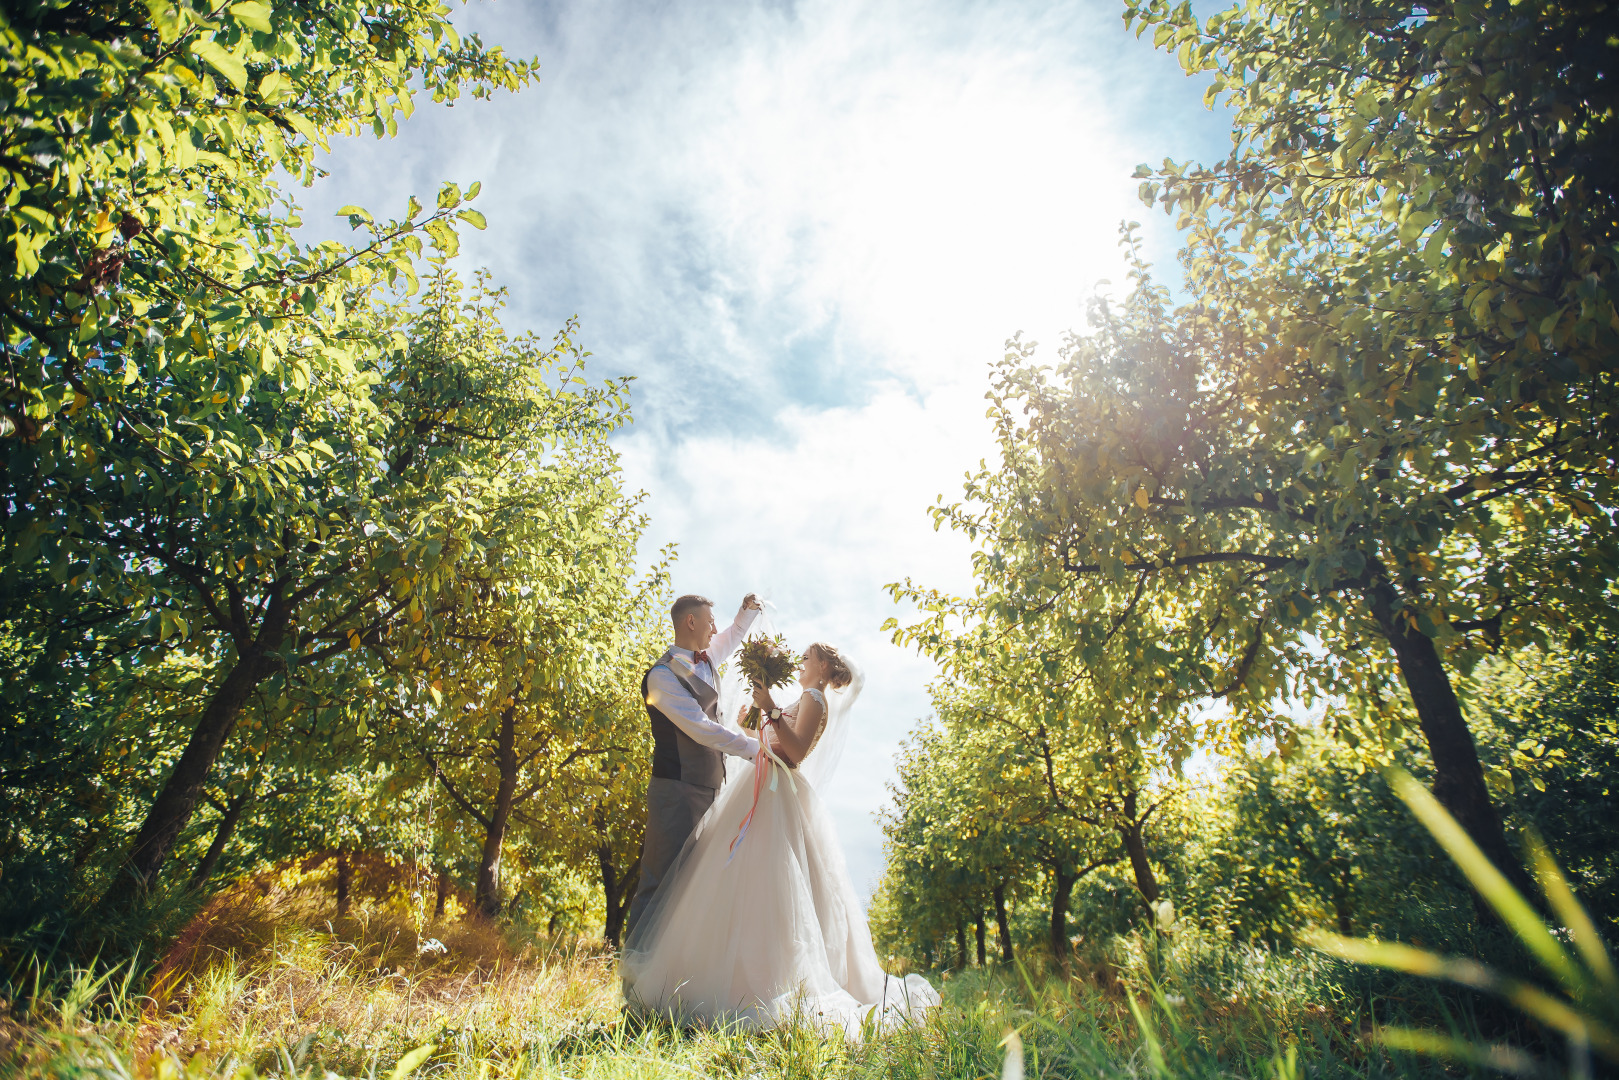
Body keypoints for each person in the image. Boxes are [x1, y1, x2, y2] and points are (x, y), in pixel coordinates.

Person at [621, 635, 941, 1037]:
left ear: (824, 667)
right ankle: (727, 974)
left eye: (809, 657)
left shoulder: (814, 699)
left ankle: (762, 981)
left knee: (768, 883)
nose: (803, 662)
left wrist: (770, 709)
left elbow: (796, 751)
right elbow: (770, 741)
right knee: (746, 882)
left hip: (777, 793)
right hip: (763, 786)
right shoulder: (801, 698)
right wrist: (753, 719)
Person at [625, 592, 763, 937]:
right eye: (709, 621)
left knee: (691, 885)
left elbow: (730, 637)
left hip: (709, 788)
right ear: (691, 622)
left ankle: (667, 979)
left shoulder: (706, 659)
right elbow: (702, 730)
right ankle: (633, 977)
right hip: (676, 790)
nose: (715, 628)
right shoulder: (661, 676)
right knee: (659, 881)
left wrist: (745, 612)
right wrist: (755, 750)